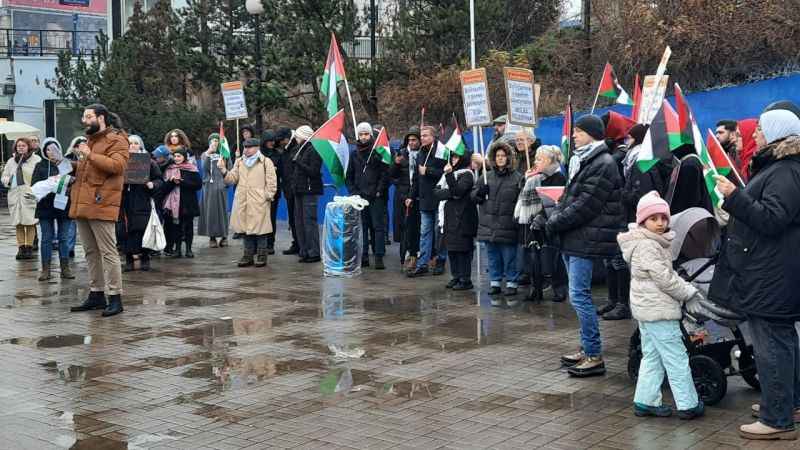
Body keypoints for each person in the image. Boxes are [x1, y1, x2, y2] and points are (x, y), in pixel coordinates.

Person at [710, 103, 800, 440]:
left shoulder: (786, 171)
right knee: (782, 341)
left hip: (772, 275)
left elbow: (772, 219)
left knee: (771, 346)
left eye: (761, 129)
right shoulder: (781, 167)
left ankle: (777, 420)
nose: (756, 134)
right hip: (774, 271)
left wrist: (735, 197)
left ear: (777, 132)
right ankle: (788, 404)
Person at [546, 114, 624, 377]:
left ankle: (594, 354)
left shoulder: (603, 163)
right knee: (577, 294)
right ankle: (586, 347)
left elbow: (586, 204)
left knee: (580, 296)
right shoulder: (584, 159)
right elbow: (569, 196)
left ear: (592, 133)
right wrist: (554, 215)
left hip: (586, 237)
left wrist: (555, 222)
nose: (574, 135)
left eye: (578, 131)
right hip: (575, 236)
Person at [618, 191, 705, 420]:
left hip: (648, 309)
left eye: (663, 218)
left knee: (653, 356)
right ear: (642, 221)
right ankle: (688, 404)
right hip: (658, 310)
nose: (660, 223)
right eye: (653, 219)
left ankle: (645, 401)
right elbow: (665, 278)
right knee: (676, 357)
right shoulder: (648, 246)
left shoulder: (648, 242)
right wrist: (688, 292)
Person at [68, 104, 129, 317]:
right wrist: (69, 166)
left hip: (102, 203)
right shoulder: (90, 142)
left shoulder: (117, 139)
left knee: (108, 253)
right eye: (84, 117)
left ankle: (115, 297)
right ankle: (96, 294)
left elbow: (117, 166)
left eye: (88, 117)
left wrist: (89, 154)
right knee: (90, 252)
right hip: (83, 203)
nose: (84, 121)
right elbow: (90, 171)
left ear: (101, 118)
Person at [472, 142, 524, 305]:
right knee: (493, 256)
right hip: (489, 224)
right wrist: (480, 193)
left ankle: (511, 283)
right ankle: (495, 282)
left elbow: (522, 199)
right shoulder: (486, 176)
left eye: (503, 156)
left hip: (508, 223)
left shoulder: (517, 177)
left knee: (509, 256)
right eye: (498, 156)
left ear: (508, 158)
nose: (500, 159)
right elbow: (473, 196)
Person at [517, 145, 567, 302]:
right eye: (536, 158)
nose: (536, 161)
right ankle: (535, 288)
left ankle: (559, 288)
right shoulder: (535, 176)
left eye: (540, 159)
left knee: (553, 257)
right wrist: (525, 179)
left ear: (550, 161)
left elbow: (555, 202)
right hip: (532, 221)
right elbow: (521, 195)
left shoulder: (558, 177)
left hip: (549, 222)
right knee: (534, 256)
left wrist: (541, 216)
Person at [221, 138, 278, 267]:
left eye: (249, 147)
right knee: (245, 229)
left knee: (261, 230)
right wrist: (224, 170)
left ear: (257, 147)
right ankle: (247, 255)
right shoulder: (239, 161)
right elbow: (232, 179)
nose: (246, 150)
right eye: (245, 147)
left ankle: (262, 255)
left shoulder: (266, 162)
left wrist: (267, 196)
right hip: (243, 199)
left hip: (259, 200)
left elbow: (272, 181)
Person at [346, 122, 389, 270]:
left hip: (376, 196)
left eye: (366, 134)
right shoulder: (354, 154)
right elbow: (349, 176)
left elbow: (385, 174)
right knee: (362, 227)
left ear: (371, 135)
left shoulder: (378, 151)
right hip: (360, 197)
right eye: (361, 134)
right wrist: (354, 192)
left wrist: (379, 191)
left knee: (378, 227)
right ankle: (363, 255)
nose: (363, 137)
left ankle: (378, 256)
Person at [30, 138, 74, 281]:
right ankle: (46, 269)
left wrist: (68, 184)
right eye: (48, 149)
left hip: (63, 205)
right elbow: (34, 185)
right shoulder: (40, 165)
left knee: (63, 237)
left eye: (54, 149)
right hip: (45, 206)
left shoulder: (66, 164)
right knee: (46, 238)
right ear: (44, 151)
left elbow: (75, 180)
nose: (51, 152)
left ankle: (65, 268)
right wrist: (49, 185)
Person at [434, 150, 477, 290]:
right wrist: (450, 193)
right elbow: (437, 192)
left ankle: (465, 279)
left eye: (457, 157)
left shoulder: (467, 174)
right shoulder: (449, 174)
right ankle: (456, 276)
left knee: (462, 249)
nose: (453, 159)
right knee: (452, 248)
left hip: (463, 216)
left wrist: (449, 176)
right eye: (452, 156)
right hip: (449, 216)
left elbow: (458, 191)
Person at [408, 126, 446, 277]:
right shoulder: (420, 154)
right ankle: (422, 263)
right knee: (424, 233)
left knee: (439, 233)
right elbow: (416, 179)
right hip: (424, 200)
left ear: (433, 137)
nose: (422, 138)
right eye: (421, 136)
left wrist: (428, 171)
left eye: (425, 136)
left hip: (438, 199)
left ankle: (440, 260)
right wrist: (411, 195)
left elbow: (445, 173)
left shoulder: (441, 151)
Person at [119, 135, 162, 272]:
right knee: (126, 231)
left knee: (143, 230)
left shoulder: (149, 162)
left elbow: (160, 181)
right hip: (126, 201)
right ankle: (129, 260)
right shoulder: (121, 161)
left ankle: (145, 257)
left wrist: (152, 184)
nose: (132, 145)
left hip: (142, 201)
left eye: (135, 143)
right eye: (130, 143)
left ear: (140, 145)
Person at [2, 137, 41, 260]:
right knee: (18, 223)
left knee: (29, 223)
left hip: (29, 195)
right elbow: (5, 176)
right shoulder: (11, 161)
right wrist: (7, 180)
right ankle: (21, 248)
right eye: (18, 146)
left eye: (23, 146)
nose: (21, 148)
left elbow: (39, 177)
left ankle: (29, 247)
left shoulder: (36, 160)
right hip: (15, 195)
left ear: (28, 147)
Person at [159, 148, 202, 258]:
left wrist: (182, 182)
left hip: (187, 203)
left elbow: (198, 185)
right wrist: (171, 182)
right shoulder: (169, 169)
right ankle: (177, 249)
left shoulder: (191, 169)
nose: (177, 158)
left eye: (179, 156)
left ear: (184, 157)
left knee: (188, 227)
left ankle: (188, 249)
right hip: (173, 205)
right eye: (175, 156)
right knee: (176, 227)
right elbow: (163, 188)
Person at [390, 127, 421, 271]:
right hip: (402, 196)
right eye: (409, 140)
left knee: (417, 228)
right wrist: (396, 164)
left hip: (418, 196)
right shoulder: (401, 153)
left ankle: (417, 256)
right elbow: (392, 175)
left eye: (414, 139)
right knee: (403, 228)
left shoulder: (423, 154)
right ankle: (404, 257)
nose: (412, 142)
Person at [290, 125, 322, 263]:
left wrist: (299, 163)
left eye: (297, 136)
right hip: (299, 189)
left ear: (304, 136)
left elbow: (314, 171)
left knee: (309, 222)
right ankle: (304, 251)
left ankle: (313, 252)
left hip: (309, 190)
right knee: (299, 222)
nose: (296, 138)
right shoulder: (298, 149)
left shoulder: (314, 150)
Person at [198, 133, 231, 249]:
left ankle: (224, 236)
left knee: (223, 212)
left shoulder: (225, 154)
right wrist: (208, 153)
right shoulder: (205, 155)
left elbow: (230, 170)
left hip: (221, 187)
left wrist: (226, 182)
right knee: (210, 212)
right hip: (209, 188)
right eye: (213, 140)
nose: (215, 142)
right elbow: (204, 168)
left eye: (217, 140)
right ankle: (212, 237)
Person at [277, 127, 300, 255]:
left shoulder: (295, 149)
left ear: (287, 138)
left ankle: (300, 243)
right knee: (292, 219)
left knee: (297, 219)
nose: (280, 143)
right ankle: (296, 242)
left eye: (281, 140)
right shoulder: (286, 150)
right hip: (288, 189)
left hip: (294, 189)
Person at [260, 130, 283, 254]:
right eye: (269, 140)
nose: (272, 143)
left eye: (273, 141)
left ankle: (270, 243)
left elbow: (282, 172)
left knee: (271, 218)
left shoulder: (278, 155)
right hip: (259, 190)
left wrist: (274, 171)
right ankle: (260, 243)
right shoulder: (258, 154)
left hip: (273, 190)